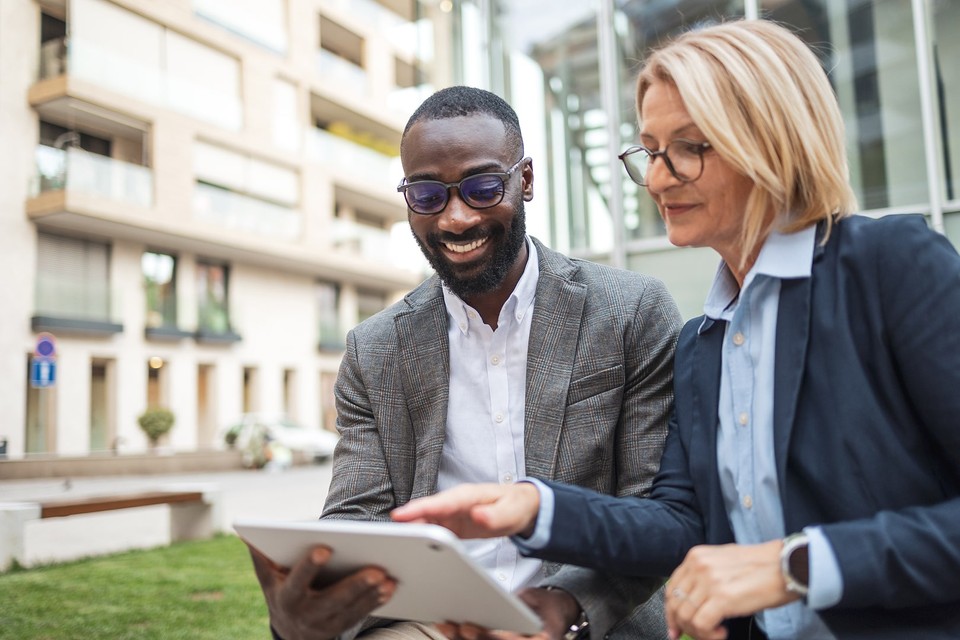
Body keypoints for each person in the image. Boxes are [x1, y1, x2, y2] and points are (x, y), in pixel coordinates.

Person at [392, 20, 960, 640]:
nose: (658, 180)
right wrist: (536, 506)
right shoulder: (703, 342)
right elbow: (679, 522)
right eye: (651, 151)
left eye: (689, 148)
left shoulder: (891, 267)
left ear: (772, 140)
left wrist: (795, 566)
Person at [245, 85, 684, 640]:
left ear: (524, 180)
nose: (454, 219)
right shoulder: (374, 349)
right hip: (433, 621)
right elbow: (357, 516)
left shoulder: (631, 312)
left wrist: (565, 607)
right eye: (427, 196)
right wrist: (305, 608)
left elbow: (648, 510)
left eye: (481, 188)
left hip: (586, 618)